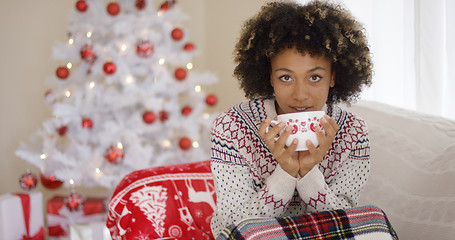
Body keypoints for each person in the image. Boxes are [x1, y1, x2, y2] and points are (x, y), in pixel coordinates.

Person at [210, 0, 373, 237]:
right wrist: (285, 175)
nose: (300, 95)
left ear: (333, 77)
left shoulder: (353, 132)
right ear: (270, 78)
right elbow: (230, 229)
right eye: (286, 77)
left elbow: (345, 228)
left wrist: (308, 172)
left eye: (314, 77)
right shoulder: (231, 127)